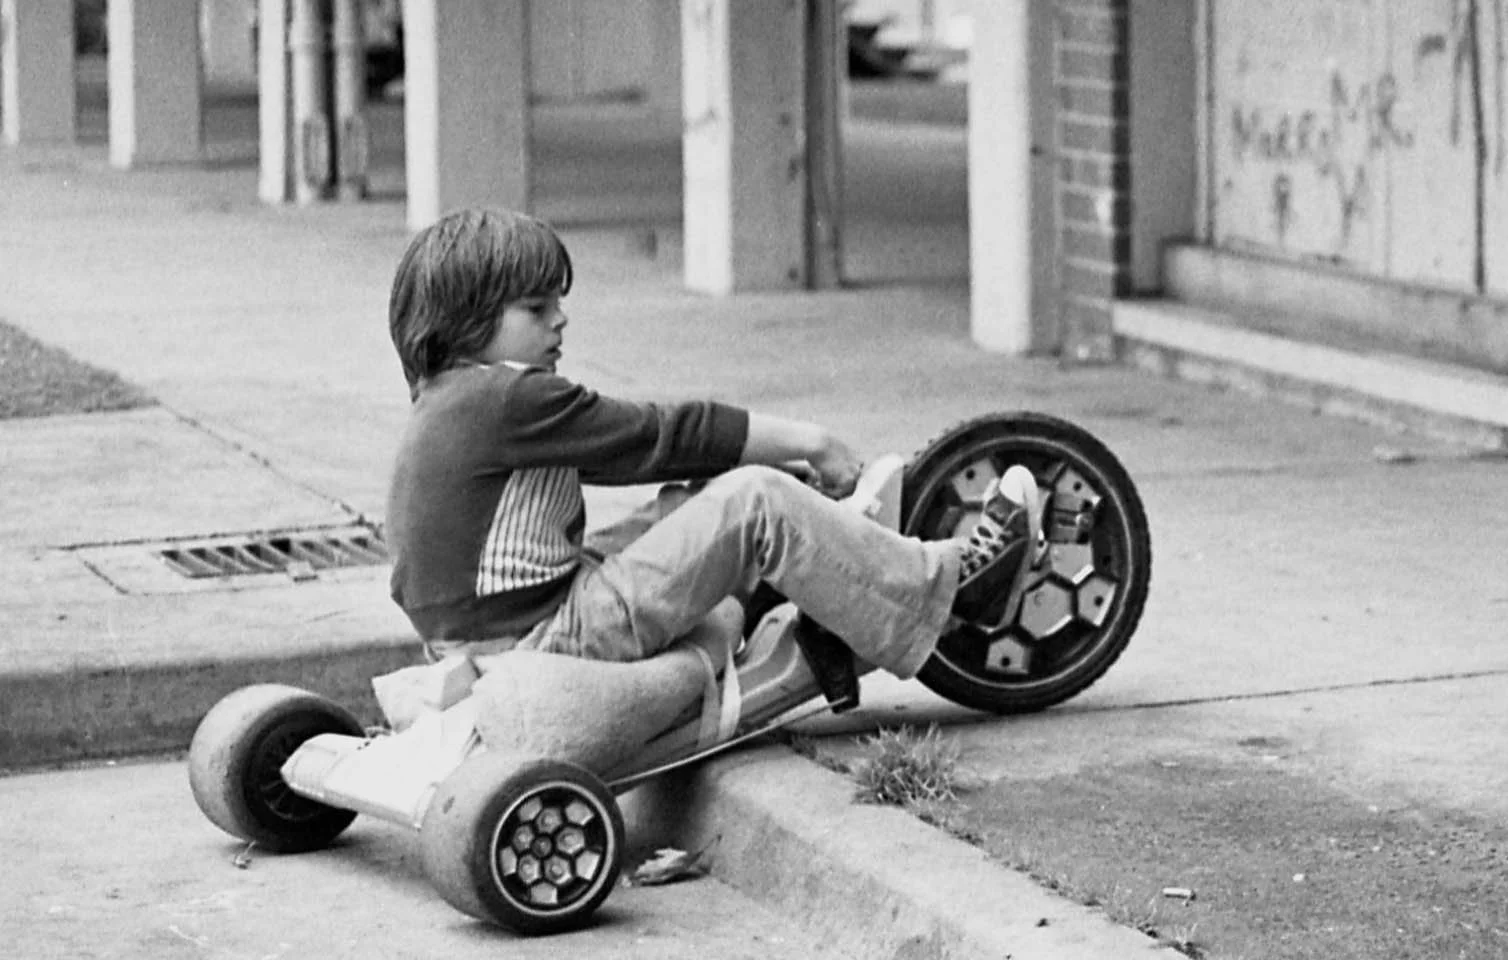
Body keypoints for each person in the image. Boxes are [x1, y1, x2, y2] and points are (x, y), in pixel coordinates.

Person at [381, 207, 1043, 697]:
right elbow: (662, 434)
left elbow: (641, 457)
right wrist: (812, 443)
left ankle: (825, 603)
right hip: (540, 638)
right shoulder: (506, 400)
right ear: (466, 321)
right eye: (536, 307)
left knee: (693, 504)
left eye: (558, 302)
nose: (560, 320)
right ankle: (958, 590)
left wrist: (727, 479)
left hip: (490, 629)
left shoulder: (450, 400)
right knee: (756, 502)